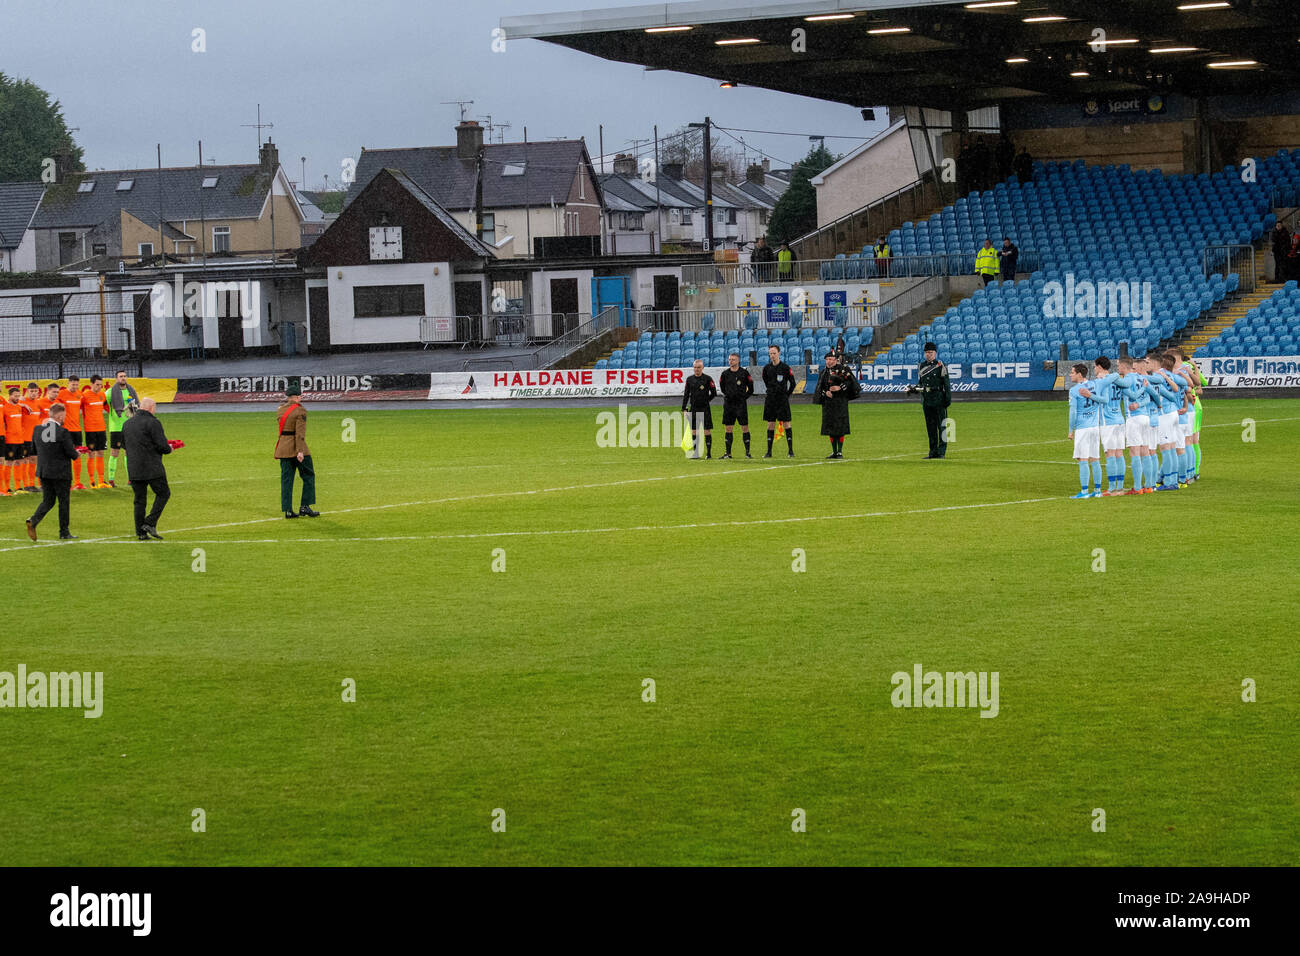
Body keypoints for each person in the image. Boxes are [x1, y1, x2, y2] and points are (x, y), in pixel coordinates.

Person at [24, 403, 80, 541]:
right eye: (64, 416)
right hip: (60, 473)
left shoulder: (37, 430)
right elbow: (71, 454)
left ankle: (34, 520)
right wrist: (77, 453)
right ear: (60, 415)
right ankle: (64, 532)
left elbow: (34, 450)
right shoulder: (63, 432)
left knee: (48, 500)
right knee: (63, 502)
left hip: (44, 471)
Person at [122, 397, 173, 540]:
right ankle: (150, 522)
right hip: (152, 468)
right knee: (164, 493)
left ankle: (140, 533)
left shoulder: (127, 424)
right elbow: (162, 446)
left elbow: (125, 446)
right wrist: (169, 448)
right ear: (151, 408)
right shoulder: (153, 422)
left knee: (139, 500)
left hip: (134, 468)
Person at [1088, 356, 1127, 495]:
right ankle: (1120, 487)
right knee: (1119, 453)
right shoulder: (1117, 380)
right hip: (1120, 419)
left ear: (1099, 366)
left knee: (1110, 454)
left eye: (1094, 366)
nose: (1094, 369)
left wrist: (1089, 395)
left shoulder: (1100, 382)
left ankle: (1111, 488)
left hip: (1107, 421)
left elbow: (1102, 400)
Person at [906, 342, 952, 459]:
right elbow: (921, 383)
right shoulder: (921, 366)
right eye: (927, 353)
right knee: (930, 427)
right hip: (927, 400)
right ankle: (932, 452)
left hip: (938, 398)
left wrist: (947, 399)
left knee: (941, 426)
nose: (928, 355)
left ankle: (941, 452)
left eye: (931, 353)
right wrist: (913, 389)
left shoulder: (941, 365)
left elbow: (946, 384)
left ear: (935, 353)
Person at [813, 351, 861, 459]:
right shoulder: (823, 372)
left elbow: (851, 383)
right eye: (827, 359)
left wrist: (840, 388)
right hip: (828, 404)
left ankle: (839, 451)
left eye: (831, 359)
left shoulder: (844, 370)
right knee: (830, 428)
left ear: (835, 360)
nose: (828, 361)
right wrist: (826, 393)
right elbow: (820, 388)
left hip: (840, 402)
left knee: (840, 427)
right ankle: (834, 452)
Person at [1067, 363, 1103, 498]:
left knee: (1082, 459)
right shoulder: (1095, 385)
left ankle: (1084, 492)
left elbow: (1073, 412)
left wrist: (1071, 430)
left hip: (1083, 427)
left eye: (1072, 372)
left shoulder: (1075, 390)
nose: (1070, 375)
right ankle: (1098, 491)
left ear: (1079, 374)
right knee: (1095, 459)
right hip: (1095, 427)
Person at [105, 370, 139, 487]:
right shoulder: (110, 392)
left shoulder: (131, 391)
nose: (123, 378)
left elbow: (135, 408)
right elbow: (104, 404)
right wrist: (113, 414)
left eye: (124, 376)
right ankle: (111, 479)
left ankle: (131, 478)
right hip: (116, 427)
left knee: (128, 453)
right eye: (121, 376)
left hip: (129, 427)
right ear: (116, 379)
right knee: (114, 453)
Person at [761, 344, 796, 458]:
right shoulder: (766, 368)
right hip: (770, 399)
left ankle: (790, 451)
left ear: (779, 353)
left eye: (774, 353)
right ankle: (768, 451)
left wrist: (786, 395)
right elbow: (766, 381)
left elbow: (793, 383)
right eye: (770, 353)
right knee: (770, 424)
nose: (772, 355)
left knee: (786, 423)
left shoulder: (785, 368)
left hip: (782, 400)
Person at [718, 351, 754, 459]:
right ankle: (728, 453)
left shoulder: (744, 373)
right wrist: (729, 396)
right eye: (729, 359)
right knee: (728, 428)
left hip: (741, 405)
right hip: (729, 405)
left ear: (738, 360)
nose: (730, 361)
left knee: (745, 427)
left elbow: (751, 389)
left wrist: (743, 397)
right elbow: (722, 387)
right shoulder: (725, 374)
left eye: (733, 359)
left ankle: (747, 453)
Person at [681, 359, 717, 459]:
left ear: (702, 368)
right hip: (694, 408)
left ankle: (708, 453)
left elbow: (714, 393)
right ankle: (696, 453)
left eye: (699, 367)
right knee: (694, 431)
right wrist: (684, 408)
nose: (696, 369)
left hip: (705, 408)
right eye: (695, 367)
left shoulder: (708, 379)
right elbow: (686, 394)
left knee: (707, 431)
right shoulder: (689, 379)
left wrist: (706, 400)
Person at [56, 375, 87, 490]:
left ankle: (78, 482)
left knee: (77, 455)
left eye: (77, 384)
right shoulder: (61, 394)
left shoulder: (80, 394)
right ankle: (66, 482)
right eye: (73, 384)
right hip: (65, 430)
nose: (75, 386)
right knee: (65, 456)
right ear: (68, 383)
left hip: (77, 429)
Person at [81, 375, 109, 488]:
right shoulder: (84, 396)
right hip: (90, 429)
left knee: (101, 453)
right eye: (97, 385)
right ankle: (92, 481)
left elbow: (107, 408)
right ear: (91, 384)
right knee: (91, 454)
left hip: (101, 428)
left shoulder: (102, 395)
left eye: (101, 385)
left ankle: (101, 481)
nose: (99, 387)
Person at [2, 387, 25, 495]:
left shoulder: (20, 407)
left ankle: (18, 487)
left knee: (19, 462)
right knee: (8, 463)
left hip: (20, 439)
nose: (17, 398)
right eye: (15, 396)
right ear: (10, 396)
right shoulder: (5, 408)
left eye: (18, 396)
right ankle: (6, 488)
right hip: (10, 440)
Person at [19, 383, 42, 492]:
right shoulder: (22, 402)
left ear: (38, 392)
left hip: (36, 437)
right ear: (27, 391)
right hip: (25, 437)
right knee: (25, 460)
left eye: (35, 391)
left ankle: (32, 484)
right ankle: (25, 484)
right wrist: (21, 402)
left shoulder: (39, 403)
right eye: (31, 391)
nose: (33, 393)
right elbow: (11, 405)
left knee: (34, 460)